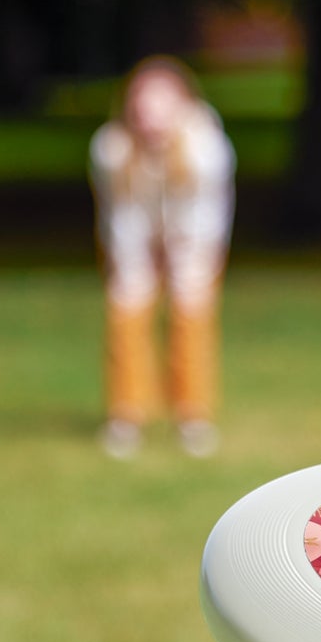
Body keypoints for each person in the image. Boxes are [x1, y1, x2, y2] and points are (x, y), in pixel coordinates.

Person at [89, 56, 236, 459]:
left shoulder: (206, 147)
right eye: (142, 105)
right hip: (133, 239)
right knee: (126, 312)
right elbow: (120, 215)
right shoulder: (111, 148)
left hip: (194, 241)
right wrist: (135, 264)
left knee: (191, 316)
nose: (150, 116)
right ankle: (126, 415)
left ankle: (193, 416)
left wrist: (183, 259)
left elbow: (206, 215)